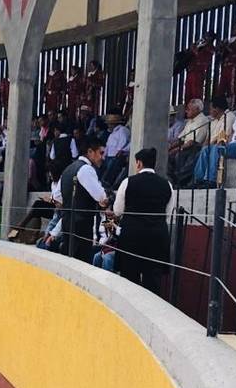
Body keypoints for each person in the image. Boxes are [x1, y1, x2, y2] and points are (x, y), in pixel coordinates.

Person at [114, 148, 174, 295]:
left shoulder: (128, 182)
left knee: (129, 278)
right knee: (153, 281)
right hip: (157, 237)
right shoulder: (167, 185)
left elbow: (118, 211)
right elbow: (168, 213)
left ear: (139, 163)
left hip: (132, 237)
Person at [193, 87, 236, 186]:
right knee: (206, 149)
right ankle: (198, 179)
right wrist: (226, 140)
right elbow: (233, 130)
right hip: (233, 143)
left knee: (216, 149)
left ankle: (212, 180)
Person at [59, 137, 109, 262]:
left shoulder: (67, 169)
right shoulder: (86, 169)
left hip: (67, 222)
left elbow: (57, 197)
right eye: (100, 153)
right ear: (90, 152)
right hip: (81, 225)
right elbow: (101, 197)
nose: (102, 157)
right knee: (81, 263)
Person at [168, 98, 210, 186]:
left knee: (178, 155)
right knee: (167, 155)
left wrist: (176, 149)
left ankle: (178, 180)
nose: (186, 111)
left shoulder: (202, 120)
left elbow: (193, 142)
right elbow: (181, 139)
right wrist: (170, 147)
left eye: (189, 109)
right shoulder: (189, 121)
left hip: (194, 147)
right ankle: (173, 179)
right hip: (186, 146)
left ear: (197, 110)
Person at [102, 111, 131, 188]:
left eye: (109, 124)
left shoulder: (122, 130)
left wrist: (119, 151)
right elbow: (108, 146)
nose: (108, 125)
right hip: (109, 157)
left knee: (110, 175)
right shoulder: (112, 134)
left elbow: (123, 142)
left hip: (116, 157)